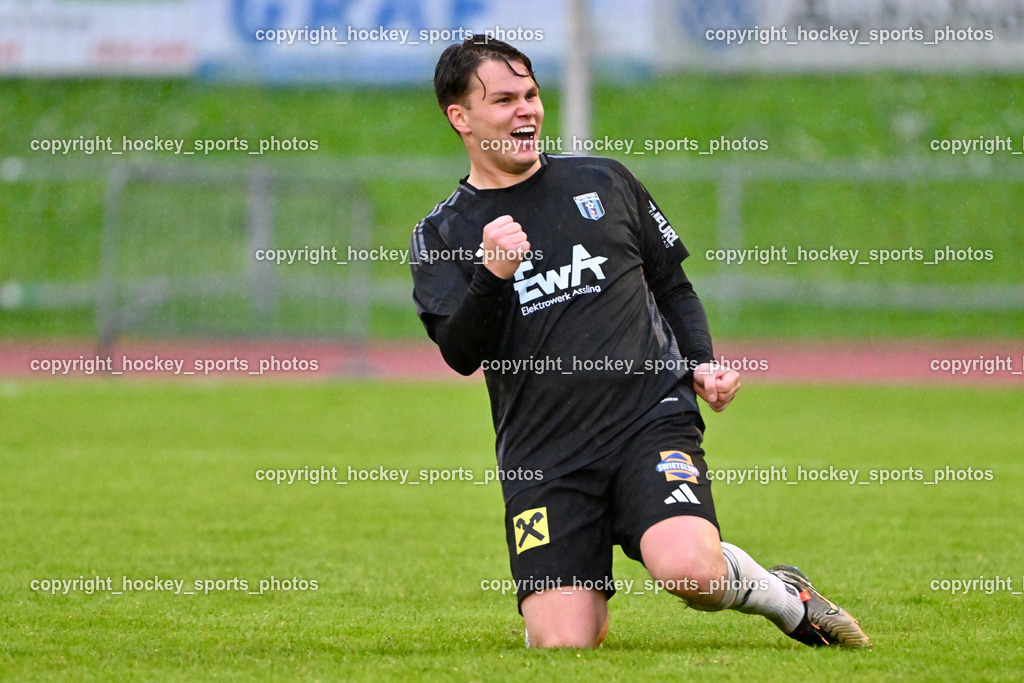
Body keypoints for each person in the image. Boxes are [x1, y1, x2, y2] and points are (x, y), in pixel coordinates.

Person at [410, 35, 870, 650]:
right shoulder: (442, 232)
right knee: (564, 645)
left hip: (646, 419)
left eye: (532, 94)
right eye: (504, 100)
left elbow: (671, 284)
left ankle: (784, 596)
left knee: (688, 572)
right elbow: (461, 354)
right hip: (543, 452)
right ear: (460, 117)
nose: (527, 110)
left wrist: (702, 364)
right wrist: (492, 275)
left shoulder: (606, 179)